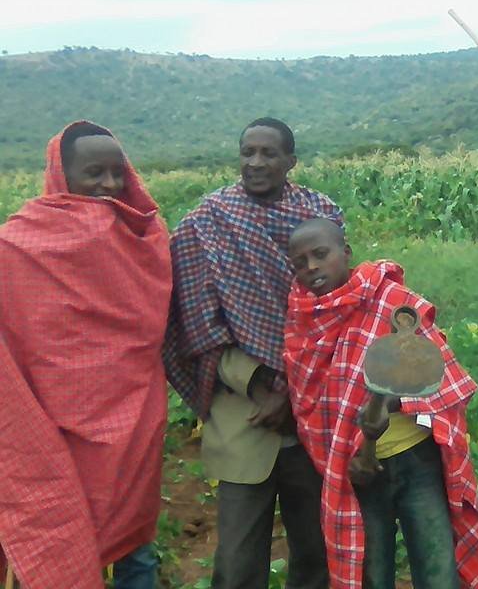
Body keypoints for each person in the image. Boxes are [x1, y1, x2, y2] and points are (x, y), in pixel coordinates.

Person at [163, 118, 341, 588]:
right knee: (238, 562)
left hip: (314, 412)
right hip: (245, 415)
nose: (255, 162)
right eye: (248, 152)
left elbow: (338, 312)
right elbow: (199, 329)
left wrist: (294, 392)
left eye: (268, 153)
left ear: (290, 161)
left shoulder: (319, 216)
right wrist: (263, 386)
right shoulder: (207, 223)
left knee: (318, 554)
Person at [0, 121, 171, 588]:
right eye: (94, 173)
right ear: (62, 174)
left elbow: (153, 325)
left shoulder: (144, 236)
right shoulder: (17, 245)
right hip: (54, 424)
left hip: (134, 418)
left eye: (118, 172)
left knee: (133, 541)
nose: (109, 184)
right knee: (60, 524)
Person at [284, 218, 478, 589]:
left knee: (437, 570)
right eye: (301, 263)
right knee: (371, 574)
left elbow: (435, 372)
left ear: (345, 253)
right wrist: (351, 455)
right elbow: (311, 402)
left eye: (320, 254)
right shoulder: (303, 321)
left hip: (417, 459)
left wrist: (393, 399)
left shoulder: (390, 301)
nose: (312, 267)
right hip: (358, 471)